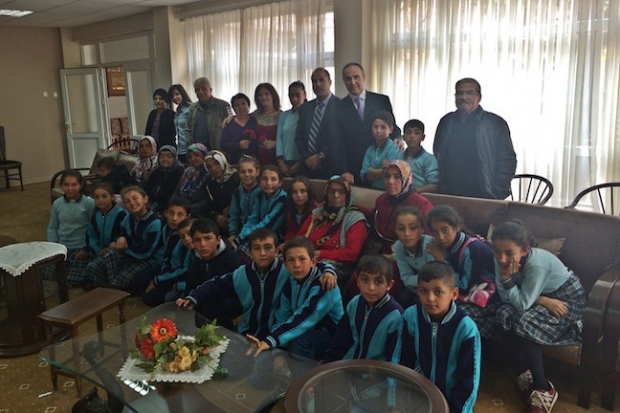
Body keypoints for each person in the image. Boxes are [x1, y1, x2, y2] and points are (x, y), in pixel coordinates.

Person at [489, 220, 586, 413]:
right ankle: (525, 374)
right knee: (503, 313)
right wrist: (542, 300)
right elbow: (505, 297)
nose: (502, 259)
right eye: (497, 251)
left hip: (566, 298)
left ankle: (543, 388)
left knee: (524, 320)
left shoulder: (536, 263)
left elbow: (522, 304)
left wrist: (507, 280)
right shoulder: (500, 258)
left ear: (525, 250)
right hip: (538, 296)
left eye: (509, 253)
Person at [393, 261, 481, 413]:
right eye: (423, 291)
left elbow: (468, 381)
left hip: (453, 404)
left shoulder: (466, 329)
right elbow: (402, 362)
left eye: (438, 292)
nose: (430, 298)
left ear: (454, 294)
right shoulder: (411, 317)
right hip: (417, 400)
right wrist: (399, 403)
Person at [247, 236, 344, 361]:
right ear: (285, 264)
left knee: (298, 339)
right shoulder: (291, 282)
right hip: (304, 329)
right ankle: (281, 363)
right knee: (271, 344)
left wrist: (271, 340)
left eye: (302, 259)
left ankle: (306, 373)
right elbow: (282, 317)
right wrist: (274, 347)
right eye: (291, 260)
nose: (297, 265)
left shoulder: (325, 284)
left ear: (313, 262)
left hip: (332, 337)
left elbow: (306, 317)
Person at [433, 77, 517, 199]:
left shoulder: (495, 123)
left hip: (483, 194)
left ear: (479, 97)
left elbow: (507, 160)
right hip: (449, 192)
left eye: (469, 93)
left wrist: (497, 192)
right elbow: (438, 154)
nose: (464, 97)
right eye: (460, 93)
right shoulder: (446, 121)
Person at [83, 186, 163, 291]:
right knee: (99, 262)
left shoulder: (155, 223)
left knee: (121, 280)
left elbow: (146, 252)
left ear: (145, 199)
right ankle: (107, 286)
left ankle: (112, 287)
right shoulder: (128, 219)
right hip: (131, 254)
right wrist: (120, 238)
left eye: (135, 198)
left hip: (148, 260)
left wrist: (122, 248)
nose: (132, 203)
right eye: (127, 201)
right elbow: (122, 234)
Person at [326, 255, 403, 363]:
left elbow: (394, 358)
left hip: (376, 370)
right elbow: (341, 340)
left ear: (389, 285)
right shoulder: (355, 303)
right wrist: (329, 364)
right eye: (365, 280)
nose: (371, 287)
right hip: (348, 364)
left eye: (378, 282)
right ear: (357, 280)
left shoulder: (395, 316)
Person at [336, 62, 401, 183]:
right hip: (354, 169)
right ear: (344, 81)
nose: (353, 82)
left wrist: (398, 138)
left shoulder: (381, 100)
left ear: (364, 77)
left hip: (383, 166)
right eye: (348, 79)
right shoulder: (338, 107)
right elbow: (337, 142)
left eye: (356, 77)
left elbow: (393, 127)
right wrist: (344, 170)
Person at [179, 218, 243, 331]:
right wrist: (186, 299)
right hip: (204, 297)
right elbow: (191, 284)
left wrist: (198, 298)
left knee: (210, 310)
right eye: (197, 240)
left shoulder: (231, 258)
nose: (202, 244)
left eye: (208, 238)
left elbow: (229, 289)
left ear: (218, 240)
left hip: (231, 300)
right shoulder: (196, 258)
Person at [304, 175, 367, 287]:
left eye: (341, 192)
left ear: (347, 194)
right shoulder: (318, 212)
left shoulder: (355, 218)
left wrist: (320, 254)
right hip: (308, 257)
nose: (336, 195)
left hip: (337, 266)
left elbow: (351, 254)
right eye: (331, 191)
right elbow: (300, 237)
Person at [131, 198, 191, 302]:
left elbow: (184, 269)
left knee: (149, 299)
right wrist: (162, 272)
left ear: (188, 217)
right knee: (138, 278)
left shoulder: (187, 239)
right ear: (165, 213)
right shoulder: (165, 229)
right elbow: (166, 255)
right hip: (167, 268)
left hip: (178, 274)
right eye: (171, 213)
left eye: (180, 215)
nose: (174, 218)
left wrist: (157, 280)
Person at [426, 205, 495, 295]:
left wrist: (443, 262)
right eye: (435, 232)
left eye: (445, 230)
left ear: (456, 227)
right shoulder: (440, 245)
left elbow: (464, 287)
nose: (441, 237)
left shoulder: (472, 249)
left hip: (486, 291)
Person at [46, 170, 95, 287]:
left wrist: (86, 248)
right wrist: (54, 246)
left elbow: (93, 229)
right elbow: (52, 227)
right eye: (66, 185)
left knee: (71, 280)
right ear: (61, 186)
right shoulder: (57, 204)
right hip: (62, 246)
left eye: (74, 185)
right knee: (45, 273)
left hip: (80, 247)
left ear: (81, 185)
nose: (69, 188)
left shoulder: (89, 203)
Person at [296, 68, 346, 179]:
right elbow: (299, 138)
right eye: (314, 81)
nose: (318, 84)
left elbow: (342, 138)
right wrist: (308, 158)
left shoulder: (342, 105)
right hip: (307, 167)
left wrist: (320, 156)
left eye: (321, 80)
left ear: (330, 82)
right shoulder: (305, 108)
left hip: (332, 166)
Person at [392, 206, 436, 307]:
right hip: (417, 286)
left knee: (420, 301)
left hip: (436, 286)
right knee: (402, 298)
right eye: (401, 228)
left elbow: (434, 278)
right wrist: (422, 279)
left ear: (422, 229)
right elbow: (406, 278)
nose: (407, 234)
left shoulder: (430, 247)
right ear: (395, 230)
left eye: (413, 228)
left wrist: (417, 279)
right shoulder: (398, 246)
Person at [236, 164, 287, 248]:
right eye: (264, 179)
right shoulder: (260, 195)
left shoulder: (283, 199)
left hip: (274, 238)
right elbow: (252, 219)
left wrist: (241, 238)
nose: (268, 183)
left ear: (280, 182)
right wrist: (240, 237)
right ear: (259, 181)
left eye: (273, 179)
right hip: (258, 234)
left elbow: (268, 223)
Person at [83, 183, 127, 278]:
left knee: (93, 268)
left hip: (115, 252)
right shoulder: (96, 215)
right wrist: (97, 250)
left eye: (104, 196)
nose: (100, 200)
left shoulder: (122, 214)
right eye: (96, 197)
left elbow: (124, 235)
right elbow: (91, 235)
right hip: (99, 251)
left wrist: (109, 248)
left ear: (112, 197)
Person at [186, 77, 232, 150]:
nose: (200, 92)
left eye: (204, 88)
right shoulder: (192, 108)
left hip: (218, 149)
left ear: (210, 90)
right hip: (197, 151)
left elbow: (231, 128)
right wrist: (190, 145)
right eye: (197, 90)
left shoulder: (223, 105)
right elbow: (188, 129)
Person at [360, 111, 401, 189]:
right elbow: (363, 174)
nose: (378, 131)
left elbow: (391, 173)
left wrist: (371, 171)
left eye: (383, 127)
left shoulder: (394, 148)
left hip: (390, 189)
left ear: (390, 129)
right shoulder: (370, 150)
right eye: (375, 127)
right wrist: (381, 172)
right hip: (373, 189)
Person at [203, 150, 240, 235]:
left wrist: (230, 207)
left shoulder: (236, 178)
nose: (213, 169)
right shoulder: (209, 182)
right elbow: (210, 205)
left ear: (223, 162)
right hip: (220, 222)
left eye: (216, 164)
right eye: (209, 167)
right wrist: (217, 217)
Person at [228, 156, 261, 248]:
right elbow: (234, 216)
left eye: (250, 171)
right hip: (240, 232)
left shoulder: (262, 192)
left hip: (257, 232)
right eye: (243, 172)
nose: (246, 175)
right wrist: (233, 233)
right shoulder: (237, 192)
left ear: (257, 172)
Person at [398, 119, 438, 193]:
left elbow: (434, 186)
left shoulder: (429, 159)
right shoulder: (398, 157)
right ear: (403, 137)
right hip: (401, 195)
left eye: (416, 133)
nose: (412, 136)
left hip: (421, 196)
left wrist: (413, 192)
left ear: (423, 137)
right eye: (408, 133)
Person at [171, 143, 210, 217]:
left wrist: (187, 210)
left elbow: (207, 201)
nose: (193, 159)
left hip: (199, 214)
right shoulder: (188, 172)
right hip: (181, 211)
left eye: (196, 155)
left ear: (203, 155)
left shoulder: (209, 173)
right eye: (189, 157)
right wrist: (172, 206)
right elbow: (176, 192)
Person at [276, 81, 306, 177]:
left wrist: (300, 163)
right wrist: (281, 162)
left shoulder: (309, 114)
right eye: (291, 96)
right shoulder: (284, 115)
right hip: (285, 162)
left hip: (303, 161)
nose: (294, 99)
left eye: (298, 95)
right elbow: (279, 138)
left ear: (304, 95)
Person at [143, 145, 184, 215]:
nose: (165, 159)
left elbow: (173, 197)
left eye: (169, 156)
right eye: (161, 156)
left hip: (168, 208)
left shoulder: (180, 173)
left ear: (175, 158)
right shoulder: (157, 171)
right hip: (150, 203)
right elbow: (146, 188)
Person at [220, 93, 258, 165]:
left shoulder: (255, 121)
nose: (241, 107)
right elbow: (223, 145)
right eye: (237, 105)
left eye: (243, 104)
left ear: (248, 106)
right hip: (235, 163)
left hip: (255, 163)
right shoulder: (228, 124)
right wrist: (238, 145)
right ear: (233, 108)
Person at [281, 175, 317, 248]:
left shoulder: (317, 210)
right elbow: (290, 232)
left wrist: (289, 244)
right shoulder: (289, 209)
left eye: (303, 191)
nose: (299, 195)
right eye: (294, 192)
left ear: (309, 192)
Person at [252, 83, 282, 166]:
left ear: (273, 96)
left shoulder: (282, 116)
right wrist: (231, 117)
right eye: (260, 95)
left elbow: (287, 140)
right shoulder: (255, 115)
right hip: (258, 158)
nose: (263, 97)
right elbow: (242, 118)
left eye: (266, 94)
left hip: (276, 158)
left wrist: (275, 144)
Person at [168, 84, 193, 163]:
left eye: (177, 94)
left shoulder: (190, 109)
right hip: (180, 149)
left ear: (182, 94)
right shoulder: (177, 110)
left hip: (190, 148)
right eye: (172, 96)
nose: (174, 97)